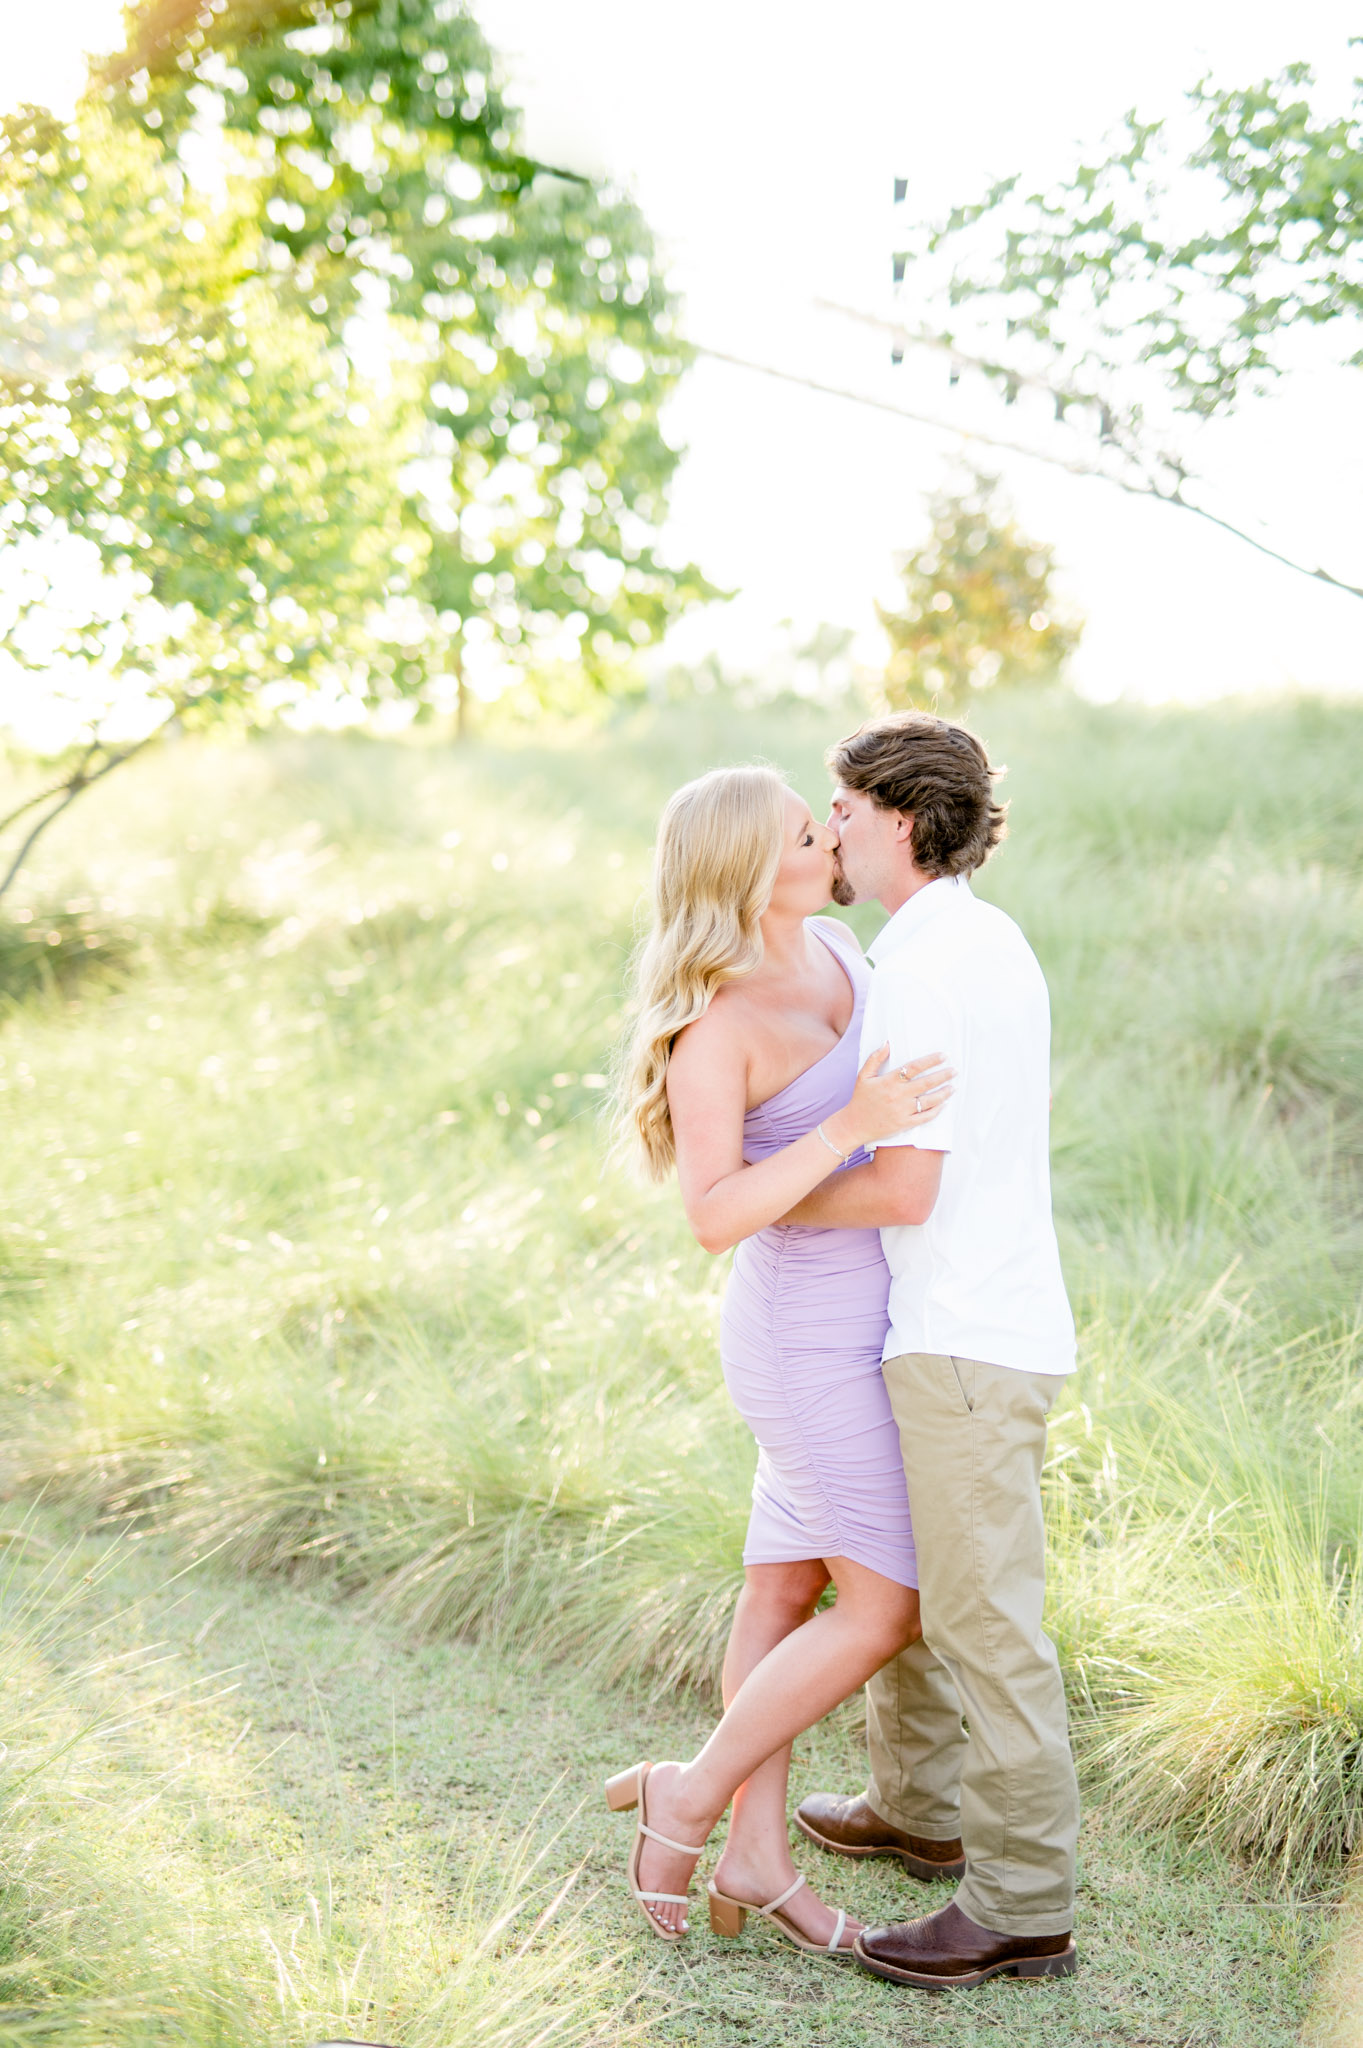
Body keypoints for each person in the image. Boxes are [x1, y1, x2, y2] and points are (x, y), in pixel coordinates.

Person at [608, 764, 953, 1956]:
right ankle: (692, 1796)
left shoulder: (848, 961)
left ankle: (754, 1855)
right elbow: (713, 1212)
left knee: (780, 1587)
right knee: (885, 1606)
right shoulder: (717, 1025)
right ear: (757, 871)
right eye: (813, 833)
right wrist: (849, 1128)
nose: (835, 843)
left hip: (877, 1316)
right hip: (801, 1338)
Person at [785, 710, 1081, 1990]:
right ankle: (918, 1804)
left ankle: (1021, 1903)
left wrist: (779, 1197)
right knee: (906, 1583)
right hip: (966, 1323)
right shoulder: (982, 938)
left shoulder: (916, 965)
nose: (829, 826)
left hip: (964, 1333)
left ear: (896, 818)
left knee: (978, 1616)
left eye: (841, 808)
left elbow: (903, 1185)